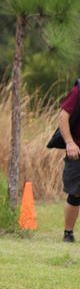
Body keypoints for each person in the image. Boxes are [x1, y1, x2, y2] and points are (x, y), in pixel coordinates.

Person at [58, 80, 80, 242]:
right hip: (77, 150)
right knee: (75, 193)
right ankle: (68, 234)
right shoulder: (78, 91)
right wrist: (69, 142)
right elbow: (63, 117)